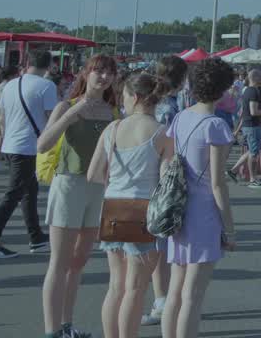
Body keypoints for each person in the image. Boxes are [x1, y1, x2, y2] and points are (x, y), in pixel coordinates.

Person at [39, 54, 120, 338]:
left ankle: (66, 325)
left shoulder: (114, 111)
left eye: (109, 72)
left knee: (79, 261)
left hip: (99, 189)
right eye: (98, 71)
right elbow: (43, 144)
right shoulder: (67, 105)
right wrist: (73, 114)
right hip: (69, 185)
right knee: (59, 262)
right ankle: (52, 331)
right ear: (85, 74)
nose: (104, 76)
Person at [88, 72, 174, 338]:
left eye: (124, 96)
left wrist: (115, 183)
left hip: (113, 206)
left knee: (116, 286)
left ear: (135, 97)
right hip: (143, 210)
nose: (121, 101)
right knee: (135, 289)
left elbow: (93, 174)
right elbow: (166, 181)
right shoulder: (161, 133)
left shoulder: (112, 129)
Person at [161, 58, 237, 338]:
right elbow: (218, 183)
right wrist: (229, 228)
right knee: (193, 295)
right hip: (203, 212)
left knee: (175, 292)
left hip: (178, 208)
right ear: (221, 90)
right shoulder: (215, 125)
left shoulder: (181, 116)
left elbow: (168, 161)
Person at [0, 50, 58, 259]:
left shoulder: (12, 84)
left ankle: (37, 237)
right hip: (28, 146)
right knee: (14, 194)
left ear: (27, 62)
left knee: (28, 192)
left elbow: (2, 116)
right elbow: (53, 119)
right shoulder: (47, 86)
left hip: (11, 144)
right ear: (49, 65)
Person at [142, 55, 188, 328]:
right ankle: (168, 300)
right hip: (164, 178)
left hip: (141, 176)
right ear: (181, 79)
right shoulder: (172, 106)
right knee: (164, 245)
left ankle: (162, 299)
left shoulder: (148, 102)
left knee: (154, 246)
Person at [232, 70, 261, 189]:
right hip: (252, 125)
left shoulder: (249, 91)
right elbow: (253, 112)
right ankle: (252, 179)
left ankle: (234, 171)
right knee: (254, 153)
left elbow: (245, 112)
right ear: (254, 77)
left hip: (249, 125)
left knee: (251, 150)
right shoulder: (253, 91)